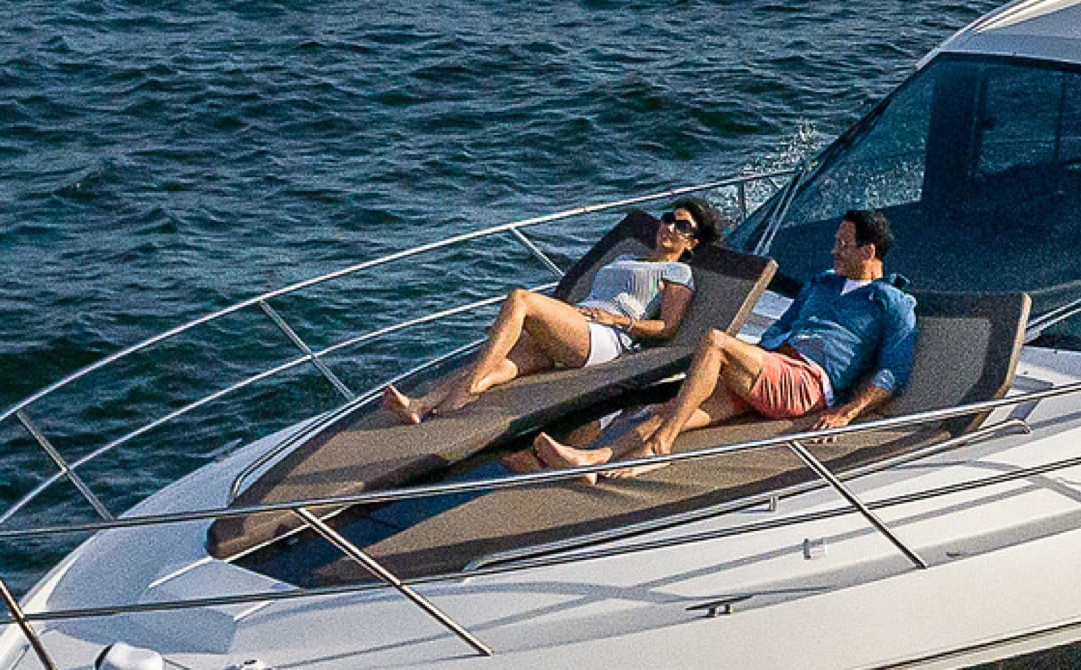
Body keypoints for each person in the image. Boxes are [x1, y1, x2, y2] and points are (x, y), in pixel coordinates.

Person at [535, 209, 915, 473]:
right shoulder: (822, 283)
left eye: (843, 244)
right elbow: (779, 327)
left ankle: (660, 449)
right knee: (675, 406)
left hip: (806, 382)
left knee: (716, 342)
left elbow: (893, 370)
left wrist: (846, 413)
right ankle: (592, 460)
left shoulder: (891, 302)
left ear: (868, 251)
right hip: (768, 372)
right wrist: (749, 360)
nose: (834, 249)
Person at [383, 202, 721, 423]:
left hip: (606, 338)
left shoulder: (679, 274)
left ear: (692, 243)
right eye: (668, 219)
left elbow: (667, 326)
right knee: (498, 361)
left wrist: (618, 320)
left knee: (521, 300)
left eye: (683, 227)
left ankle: (467, 391)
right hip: (578, 326)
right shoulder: (626, 258)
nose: (670, 228)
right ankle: (423, 405)